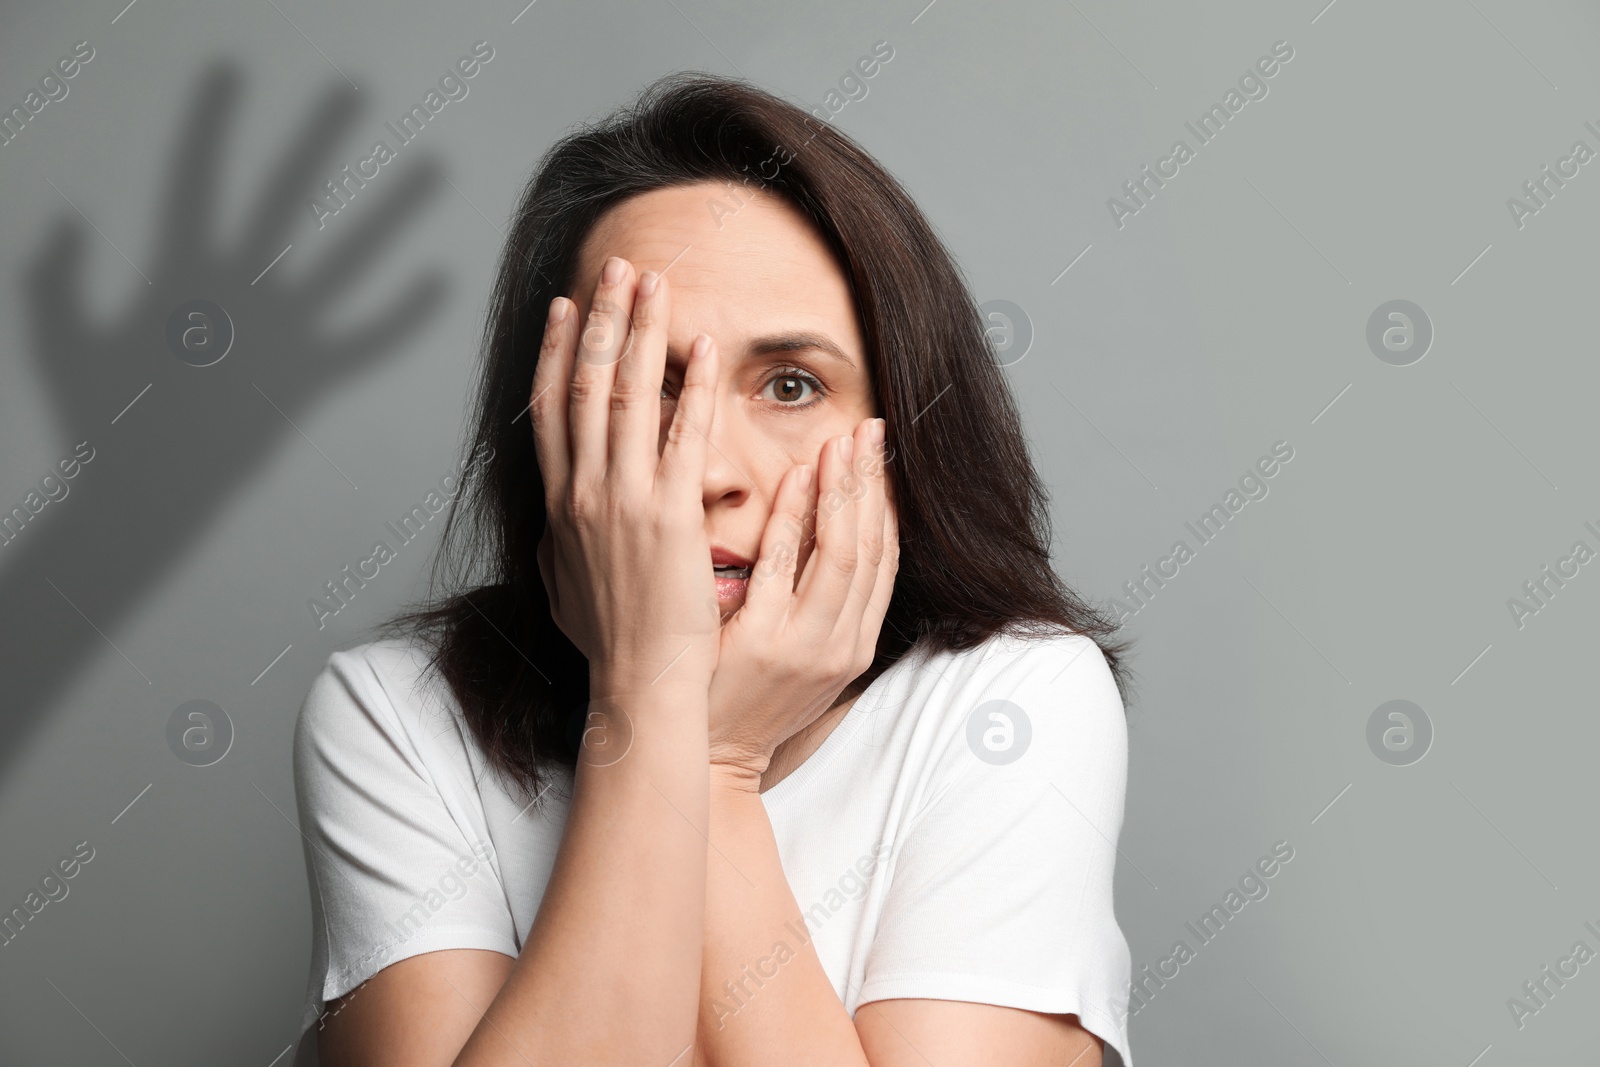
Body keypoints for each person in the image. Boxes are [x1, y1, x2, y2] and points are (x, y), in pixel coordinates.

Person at [291, 70, 1138, 1067]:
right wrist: (650, 703)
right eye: (648, 382)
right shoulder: (397, 715)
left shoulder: (1011, 699)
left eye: (790, 384)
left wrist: (716, 770)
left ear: (901, 434)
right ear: (547, 418)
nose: (709, 470)